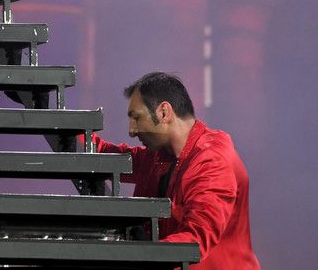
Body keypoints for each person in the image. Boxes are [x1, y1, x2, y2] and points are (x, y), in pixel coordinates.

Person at [93, 72, 259, 269]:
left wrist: (131, 255)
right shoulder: (161, 155)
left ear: (164, 112)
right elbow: (108, 155)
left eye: (137, 118)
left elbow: (195, 239)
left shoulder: (212, 161)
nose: (132, 131)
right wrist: (69, 127)